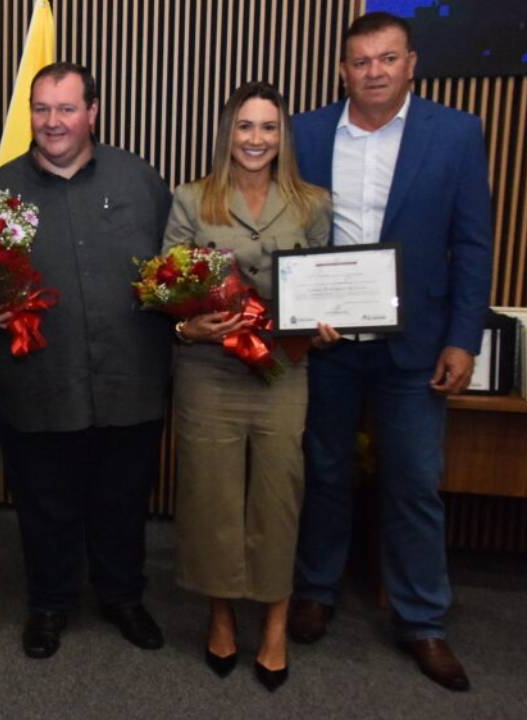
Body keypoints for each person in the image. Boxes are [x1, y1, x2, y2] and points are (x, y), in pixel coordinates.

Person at [288, 12, 493, 692]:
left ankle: (423, 622)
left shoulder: (457, 134)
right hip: (329, 342)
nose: (373, 71)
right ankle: (315, 591)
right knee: (323, 471)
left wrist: (464, 338)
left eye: (387, 59)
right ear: (343, 70)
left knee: (413, 482)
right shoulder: (308, 133)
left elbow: (471, 244)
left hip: (417, 346)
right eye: (360, 61)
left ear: (411, 65)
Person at [0, 62, 173, 660]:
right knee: (44, 502)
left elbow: (174, 265)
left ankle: (123, 597)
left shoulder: (140, 181)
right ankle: (50, 603)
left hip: (129, 378)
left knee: (123, 498)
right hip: (40, 382)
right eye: (41, 108)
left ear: (93, 112)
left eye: (66, 108)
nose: (52, 122)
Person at [162, 82, 334, 691]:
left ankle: (276, 626)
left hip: (283, 374)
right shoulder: (191, 199)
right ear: (226, 134)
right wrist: (189, 323)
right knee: (212, 501)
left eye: (268, 128)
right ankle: (220, 616)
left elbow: (324, 283)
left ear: (282, 136)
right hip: (210, 374)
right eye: (244, 127)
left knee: (277, 499)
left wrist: (324, 324)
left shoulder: (313, 204)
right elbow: (167, 289)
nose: (256, 139)